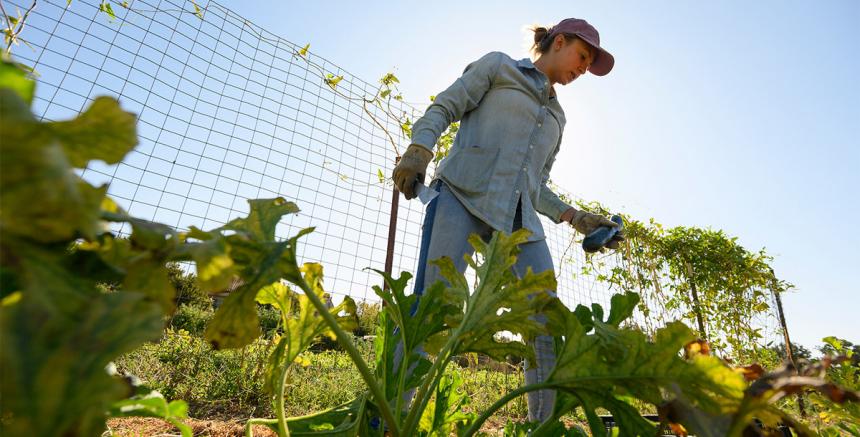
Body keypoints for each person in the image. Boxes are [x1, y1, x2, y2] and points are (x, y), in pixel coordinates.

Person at [392, 17, 621, 423]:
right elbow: (446, 105)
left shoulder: (557, 119)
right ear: (559, 41)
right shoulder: (500, 67)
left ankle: (544, 426)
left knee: (545, 319)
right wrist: (419, 149)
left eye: (590, 64)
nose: (584, 68)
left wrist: (577, 217)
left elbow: (536, 186)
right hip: (463, 194)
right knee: (433, 307)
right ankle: (389, 415)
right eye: (583, 56)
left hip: (520, 221)